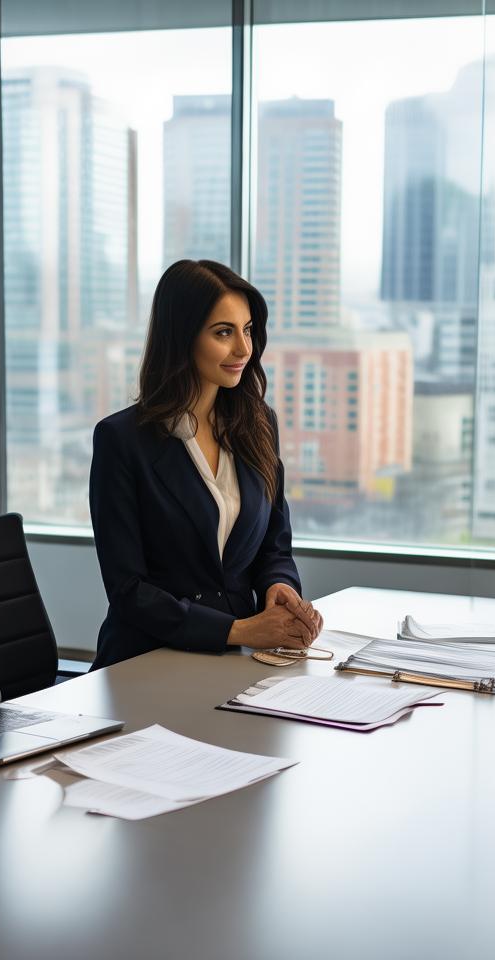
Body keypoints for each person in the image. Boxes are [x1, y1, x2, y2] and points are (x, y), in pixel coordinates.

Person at [90, 259, 322, 669]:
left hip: (238, 661)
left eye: (248, 330)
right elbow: (128, 589)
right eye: (223, 332)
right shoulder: (122, 441)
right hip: (145, 663)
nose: (244, 349)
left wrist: (278, 587)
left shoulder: (258, 424)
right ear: (182, 337)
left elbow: (274, 544)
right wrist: (236, 631)